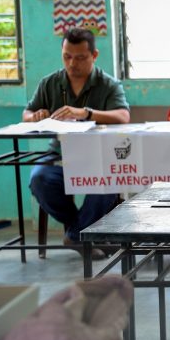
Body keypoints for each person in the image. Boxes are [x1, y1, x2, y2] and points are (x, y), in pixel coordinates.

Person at [25, 28, 130, 258]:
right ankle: (84, 234)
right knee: (40, 179)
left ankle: (75, 236)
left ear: (94, 55)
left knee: (109, 180)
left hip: (98, 155)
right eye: (67, 57)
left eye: (81, 57)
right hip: (59, 154)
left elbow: (123, 116)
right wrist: (35, 116)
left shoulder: (108, 84)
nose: (73, 63)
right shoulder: (50, 82)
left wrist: (85, 112)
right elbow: (27, 113)